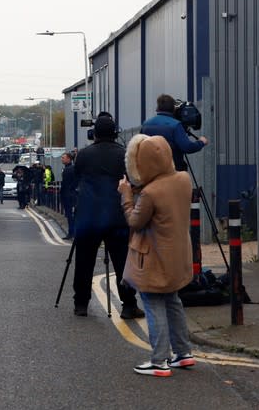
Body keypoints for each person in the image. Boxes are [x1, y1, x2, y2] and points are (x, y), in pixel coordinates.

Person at [118, 134, 195, 377]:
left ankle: (159, 360)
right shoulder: (184, 179)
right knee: (173, 302)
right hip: (178, 255)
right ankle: (183, 354)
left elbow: (135, 221)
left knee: (152, 304)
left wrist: (126, 195)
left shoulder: (150, 193)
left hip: (153, 258)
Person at [71, 113, 144, 319]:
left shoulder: (83, 155)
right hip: (116, 216)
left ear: (94, 133)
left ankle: (81, 304)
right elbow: (133, 180)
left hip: (88, 216)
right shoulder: (123, 154)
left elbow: (77, 176)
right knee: (122, 263)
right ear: (115, 133)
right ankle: (129, 305)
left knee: (84, 262)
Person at [141, 93, 208, 172]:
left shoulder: (145, 125)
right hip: (172, 172)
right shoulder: (175, 125)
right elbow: (187, 147)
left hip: (150, 172)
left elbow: (139, 147)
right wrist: (201, 142)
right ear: (173, 109)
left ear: (157, 109)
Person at [59, 152, 77, 240]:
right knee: (70, 215)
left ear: (69, 159)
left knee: (70, 215)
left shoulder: (69, 169)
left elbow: (66, 184)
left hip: (69, 195)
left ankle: (72, 233)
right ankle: (71, 233)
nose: (62, 159)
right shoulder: (68, 168)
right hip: (69, 194)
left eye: (63, 158)